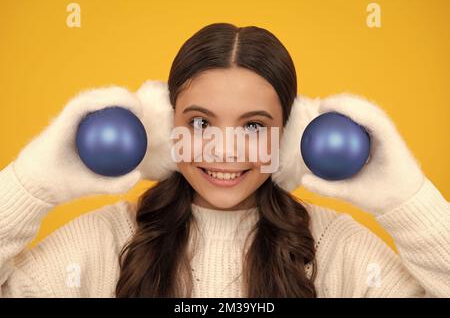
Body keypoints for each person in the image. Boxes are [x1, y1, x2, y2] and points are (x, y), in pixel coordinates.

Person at [0, 23, 448, 298]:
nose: (225, 150)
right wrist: (31, 185)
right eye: (200, 123)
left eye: (253, 126)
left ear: (288, 137)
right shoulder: (107, 239)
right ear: (164, 127)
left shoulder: (335, 249)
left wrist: (407, 201)